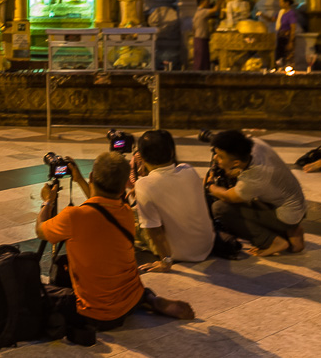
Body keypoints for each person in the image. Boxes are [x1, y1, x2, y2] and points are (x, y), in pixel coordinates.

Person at [36, 152, 195, 339]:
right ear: (122, 189)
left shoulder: (73, 217)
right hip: (132, 299)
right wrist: (78, 180)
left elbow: (40, 230)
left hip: (96, 314)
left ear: (93, 177)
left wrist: (48, 201)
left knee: (37, 292)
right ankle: (151, 299)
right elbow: (99, 206)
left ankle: (146, 299)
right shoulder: (125, 211)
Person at [207, 130, 306, 257]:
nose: (215, 158)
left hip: (286, 215)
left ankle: (273, 241)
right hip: (294, 206)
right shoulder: (254, 144)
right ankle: (292, 232)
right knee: (248, 197)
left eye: (220, 156)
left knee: (220, 208)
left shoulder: (255, 176)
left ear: (236, 162)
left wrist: (210, 186)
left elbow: (228, 196)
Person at [134, 131, 215, 272]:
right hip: (207, 244)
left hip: (181, 253)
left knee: (131, 218)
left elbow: (154, 231)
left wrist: (165, 262)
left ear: (142, 157)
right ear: (172, 151)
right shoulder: (189, 170)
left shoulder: (143, 185)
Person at [192, 0, 217, 70]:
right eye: (207, 1)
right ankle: (198, 75)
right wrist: (221, 0)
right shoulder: (202, 12)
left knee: (204, 59)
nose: (208, 3)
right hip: (200, 37)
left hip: (201, 37)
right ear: (203, 2)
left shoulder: (199, 12)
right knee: (200, 59)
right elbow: (215, 9)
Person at [274, 0, 300, 65]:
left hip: (287, 37)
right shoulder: (281, 12)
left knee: (287, 56)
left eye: (281, 2)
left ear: (287, 3)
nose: (280, 4)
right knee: (279, 56)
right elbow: (273, 19)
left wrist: (290, 41)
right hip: (280, 36)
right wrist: (262, 15)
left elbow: (293, 28)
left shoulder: (291, 14)